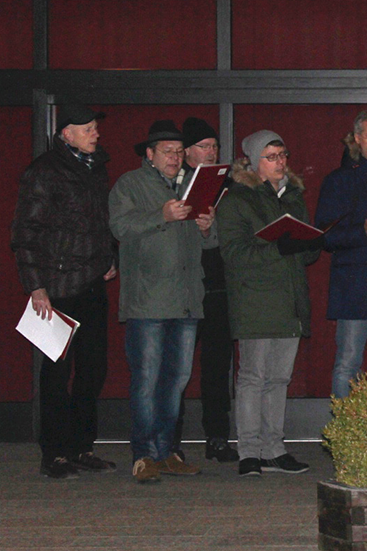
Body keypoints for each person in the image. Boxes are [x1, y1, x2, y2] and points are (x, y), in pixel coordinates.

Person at [11, 102, 118, 479]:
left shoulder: (96, 167)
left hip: (91, 282)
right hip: (57, 286)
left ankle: (81, 447)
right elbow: (26, 232)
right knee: (57, 373)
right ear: (66, 134)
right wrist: (36, 287)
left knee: (93, 369)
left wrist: (110, 255)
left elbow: (102, 221)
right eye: (87, 129)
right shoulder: (44, 170)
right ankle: (54, 453)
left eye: (95, 127)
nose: (96, 133)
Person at [109, 120, 214, 483]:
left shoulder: (192, 185)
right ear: (149, 154)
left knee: (177, 380)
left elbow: (211, 242)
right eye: (167, 151)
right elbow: (119, 227)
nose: (175, 157)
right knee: (147, 380)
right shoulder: (130, 184)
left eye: (180, 151)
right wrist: (162, 215)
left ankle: (167, 450)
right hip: (148, 302)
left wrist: (206, 228)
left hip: (187, 300)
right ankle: (143, 455)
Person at [218, 130, 322, 477]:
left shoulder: (292, 196)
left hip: (289, 300)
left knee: (279, 378)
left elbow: (304, 255)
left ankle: (273, 449)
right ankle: (249, 451)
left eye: (283, 155)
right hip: (255, 299)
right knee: (253, 377)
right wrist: (278, 247)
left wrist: (309, 244)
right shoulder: (237, 199)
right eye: (271, 156)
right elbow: (234, 254)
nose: (281, 162)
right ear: (253, 162)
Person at [175, 116, 238, 463]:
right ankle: (170, 439)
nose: (212, 152)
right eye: (204, 146)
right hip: (183, 288)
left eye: (215, 146)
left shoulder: (229, 184)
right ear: (186, 152)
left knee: (217, 367)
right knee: (177, 369)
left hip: (218, 287)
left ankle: (217, 436)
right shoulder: (172, 183)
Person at [315, 110, 367, 399]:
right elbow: (325, 236)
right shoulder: (339, 181)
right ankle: (343, 425)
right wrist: (363, 231)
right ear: (357, 139)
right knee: (348, 362)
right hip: (355, 284)